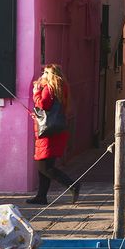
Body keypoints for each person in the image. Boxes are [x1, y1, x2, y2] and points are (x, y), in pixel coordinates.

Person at [26, 64, 80, 205]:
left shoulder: (49, 89)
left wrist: (36, 92)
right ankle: (41, 196)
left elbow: (43, 105)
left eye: (45, 72)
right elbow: (50, 110)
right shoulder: (61, 88)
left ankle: (73, 185)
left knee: (44, 167)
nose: (42, 74)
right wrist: (38, 116)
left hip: (48, 132)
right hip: (55, 129)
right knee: (45, 165)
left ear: (51, 75)